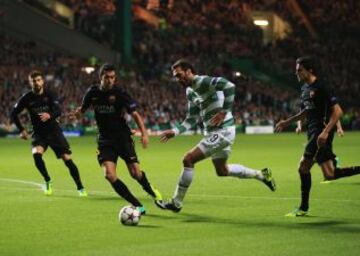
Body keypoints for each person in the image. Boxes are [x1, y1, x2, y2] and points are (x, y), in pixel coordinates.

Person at [155, 59, 276, 213]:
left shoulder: (202, 81)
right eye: (176, 77)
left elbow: (230, 86)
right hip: (213, 132)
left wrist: (224, 111)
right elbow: (192, 118)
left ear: (189, 71)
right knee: (222, 170)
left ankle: (176, 202)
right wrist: (175, 131)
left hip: (223, 130)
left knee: (188, 159)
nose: (178, 79)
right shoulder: (190, 91)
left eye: (179, 75)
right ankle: (261, 174)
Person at [69, 63, 162, 215]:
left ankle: (149, 189)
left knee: (135, 174)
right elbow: (83, 109)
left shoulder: (120, 93)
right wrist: (78, 114)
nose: (110, 80)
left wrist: (144, 134)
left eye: (112, 77)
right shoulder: (92, 93)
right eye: (107, 77)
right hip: (105, 140)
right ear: (101, 77)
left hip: (122, 137)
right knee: (109, 175)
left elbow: (135, 114)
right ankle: (138, 205)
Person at [275, 56, 360, 217]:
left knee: (303, 167)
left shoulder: (321, 86)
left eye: (299, 70)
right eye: (296, 70)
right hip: (313, 133)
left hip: (319, 134)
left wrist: (326, 131)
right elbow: (307, 111)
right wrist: (288, 122)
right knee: (330, 174)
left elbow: (338, 111)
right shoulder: (305, 88)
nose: (296, 73)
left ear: (310, 70)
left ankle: (303, 208)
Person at [10, 70, 87, 196]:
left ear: (43, 81)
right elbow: (14, 114)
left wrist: (49, 114)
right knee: (36, 155)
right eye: (33, 81)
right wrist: (22, 130)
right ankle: (47, 180)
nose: (36, 83)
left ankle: (80, 187)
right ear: (30, 83)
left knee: (67, 159)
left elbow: (59, 110)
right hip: (39, 133)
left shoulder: (50, 94)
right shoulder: (26, 98)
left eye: (38, 80)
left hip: (54, 131)